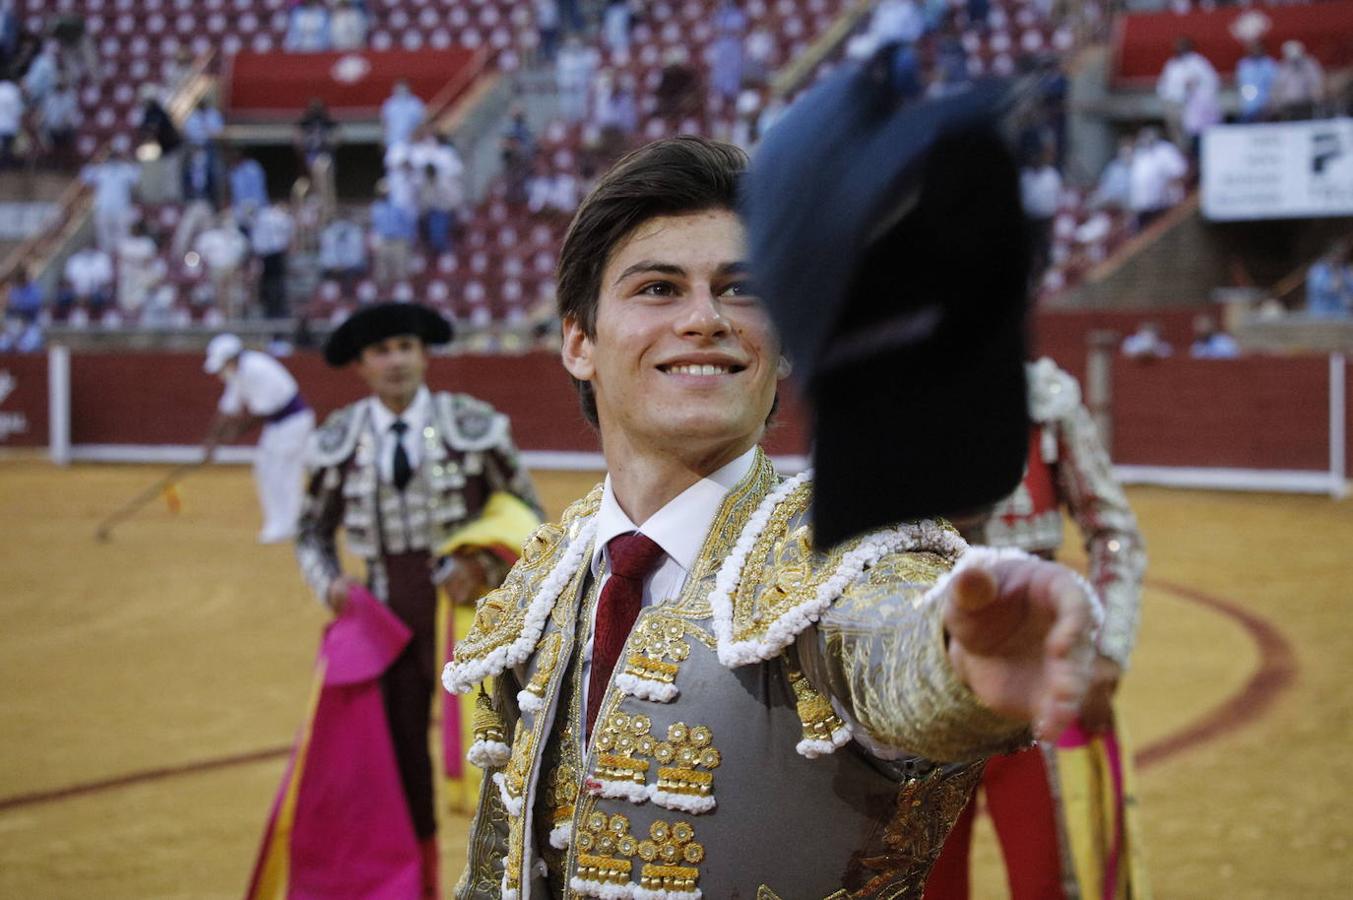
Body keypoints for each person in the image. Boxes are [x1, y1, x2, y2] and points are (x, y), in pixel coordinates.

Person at [443, 137, 1099, 897]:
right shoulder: (547, 580)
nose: (703, 319)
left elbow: (891, 641)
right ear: (579, 342)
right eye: (658, 288)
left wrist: (959, 660)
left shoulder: (846, 557)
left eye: (740, 289)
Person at [247, 303, 542, 899]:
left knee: (500, 744)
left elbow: (528, 515)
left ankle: (514, 878)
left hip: (472, 613)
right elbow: (311, 531)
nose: (396, 360)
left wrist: (483, 565)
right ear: (360, 364)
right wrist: (328, 582)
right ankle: (416, 884)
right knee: (395, 757)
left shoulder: (473, 424)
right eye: (382, 351)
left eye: (405, 346)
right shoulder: (339, 438)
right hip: (383, 617)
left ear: (424, 353)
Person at [927, 357, 1149, 900]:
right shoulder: (879, 394)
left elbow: (1114, 532)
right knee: (923, 885)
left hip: (1039, 687)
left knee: (1051, 881)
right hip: (918, 685)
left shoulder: (1045, 399)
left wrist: (1105, 653)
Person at [201, 333, 315, 543]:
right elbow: (228, 408)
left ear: (232, 358)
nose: (219, 371)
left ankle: (289, 524)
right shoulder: (237, 372)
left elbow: (263, 412)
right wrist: (212, 440)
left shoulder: (256, 369)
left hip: (293, 422)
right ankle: (282, 522)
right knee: (266, 469)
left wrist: (234, 434)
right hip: (280, 423)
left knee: (283, 472)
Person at [1155, 37, 1217, 150]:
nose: (1179, 49)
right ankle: (1182, 156)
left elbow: (1211, 80)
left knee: (1194, 135)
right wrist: (1166, 99)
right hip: (1173, 104)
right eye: (1177, 46)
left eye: (1182, 46)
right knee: (1177, 136)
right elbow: (1163, 84)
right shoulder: (1172, 64)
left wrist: (1195, 88)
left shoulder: (1198, 62)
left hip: (1192, 105)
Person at [251, 201, 294, 320]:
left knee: (273, 283)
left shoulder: (263, 216)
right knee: (271, 283)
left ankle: (274, 308)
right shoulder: (277, 216)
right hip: (271, 254)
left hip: (270, 254)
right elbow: (288, 230)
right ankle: (273, 308)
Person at [1272, 40, 1325, 121]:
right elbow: (1278, 87)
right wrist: (1278, 103)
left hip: (1306, 104)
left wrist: (1316, 95)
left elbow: (1316, 83)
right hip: (1289, 105)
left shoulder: (1309, 66)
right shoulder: (1283, 68)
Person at [1306, 241, 1352, 318]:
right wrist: (1336, 283)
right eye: (1337, 255)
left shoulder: (1345, 270)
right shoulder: (1317, 271)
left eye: (1342, 255)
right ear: (1329, 255)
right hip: (1322, 317)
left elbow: (1350, 290)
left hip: (1342, 316)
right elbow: (1327, 288)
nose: (1340, 259)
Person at [1236, 39, 1277, 123]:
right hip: (1248, 107)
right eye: (1253, 48)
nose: (1255, 51)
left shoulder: (1269, 64)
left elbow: (1274, 85)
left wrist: (1270, 103)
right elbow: (1242, 85)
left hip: (1266, 106)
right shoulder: (1244, 65)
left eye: (1257, 48)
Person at [382, 80, 427, 149]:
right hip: (394, 141)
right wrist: (385, 139)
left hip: (413, 141)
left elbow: (422, 123)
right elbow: (386, 123)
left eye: (403, 87)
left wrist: (416, 136)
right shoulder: (389, 104)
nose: (401, 90)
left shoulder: (416, 103)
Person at [0, 75, 23, 169]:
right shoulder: (14, 91)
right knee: (8, 149)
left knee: (4, 150)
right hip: (10, 126)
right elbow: (18, 110)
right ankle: (6, 168)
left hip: (1, 125)